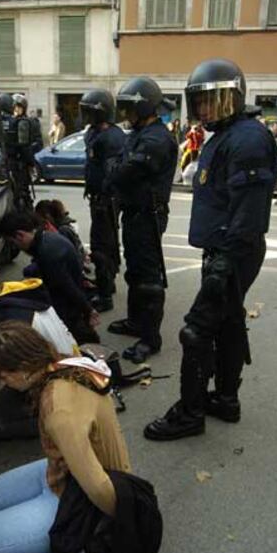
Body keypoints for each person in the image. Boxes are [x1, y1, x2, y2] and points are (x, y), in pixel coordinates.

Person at [144, 58, 277, 441]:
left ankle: (189, 414)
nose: (204, 109)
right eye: (199, 102)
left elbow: (249, 215)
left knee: (196, 331)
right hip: (225, 251)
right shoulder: (228, 133)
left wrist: (223, 266)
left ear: (233, 97)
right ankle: (225, 398)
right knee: (229, 323)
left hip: (232, 252)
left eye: (213, 101)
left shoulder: (247, 138)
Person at [0, 320, 131, 553]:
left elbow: (96, 483)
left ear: (25, 368)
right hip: (61, 470)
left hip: (79, 494)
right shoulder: (63, 363)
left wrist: (125, 520)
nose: (3, 382)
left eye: (4, 375)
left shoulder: (59, 410)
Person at [0, 260, 79, 440]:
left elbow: (23, 377)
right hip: (72, 365)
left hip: (56, 382)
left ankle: (51, 423)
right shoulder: (25, 293)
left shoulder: (8, 321)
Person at [106, 76, 178, 364]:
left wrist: (116, 168)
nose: (125, 115)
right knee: (135, 272)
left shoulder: (156, 138)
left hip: (148, 216)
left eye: (129, 109)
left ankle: (151, 338)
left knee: (149, 279)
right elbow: (119, 166)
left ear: (146, 107)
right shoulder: (139, 134)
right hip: (134, 214)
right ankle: (137, 323)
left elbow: (122, 172)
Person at [0, 210, 100, 344]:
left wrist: (88, 310)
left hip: (68, 309)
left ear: (20, 235)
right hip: (68, 296)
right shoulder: (46, 238)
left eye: (12, 242)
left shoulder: (48, 254)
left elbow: (67, 287)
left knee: (75, 341)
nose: (15, 247)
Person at [79, 88, 125, 313]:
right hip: (98, 198)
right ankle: (108, 283)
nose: (85, 117)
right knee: (106, 243)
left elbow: (113, 172)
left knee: (102, 246)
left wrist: (105, 196)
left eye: (89, 112)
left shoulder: (112, 137)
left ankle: (105, 295)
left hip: (106, 200)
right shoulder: (95, 132)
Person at [0, 93, 34, 210]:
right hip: (16, 165)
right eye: (15, 106)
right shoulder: (19, 123)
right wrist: (30, 162)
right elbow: (25, 146)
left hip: (1, 164)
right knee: (22, 194)